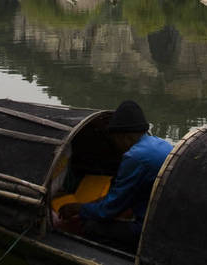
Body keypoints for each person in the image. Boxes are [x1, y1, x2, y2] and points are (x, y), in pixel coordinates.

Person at [58, 100, 172, 252]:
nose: (116, 146)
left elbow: (108, 211)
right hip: (167, 221)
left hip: (148, 230)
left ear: (123, 137)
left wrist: (77, 208)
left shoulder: (134, 157)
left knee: (92, 226)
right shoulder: (162, 144)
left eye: (115, 140)